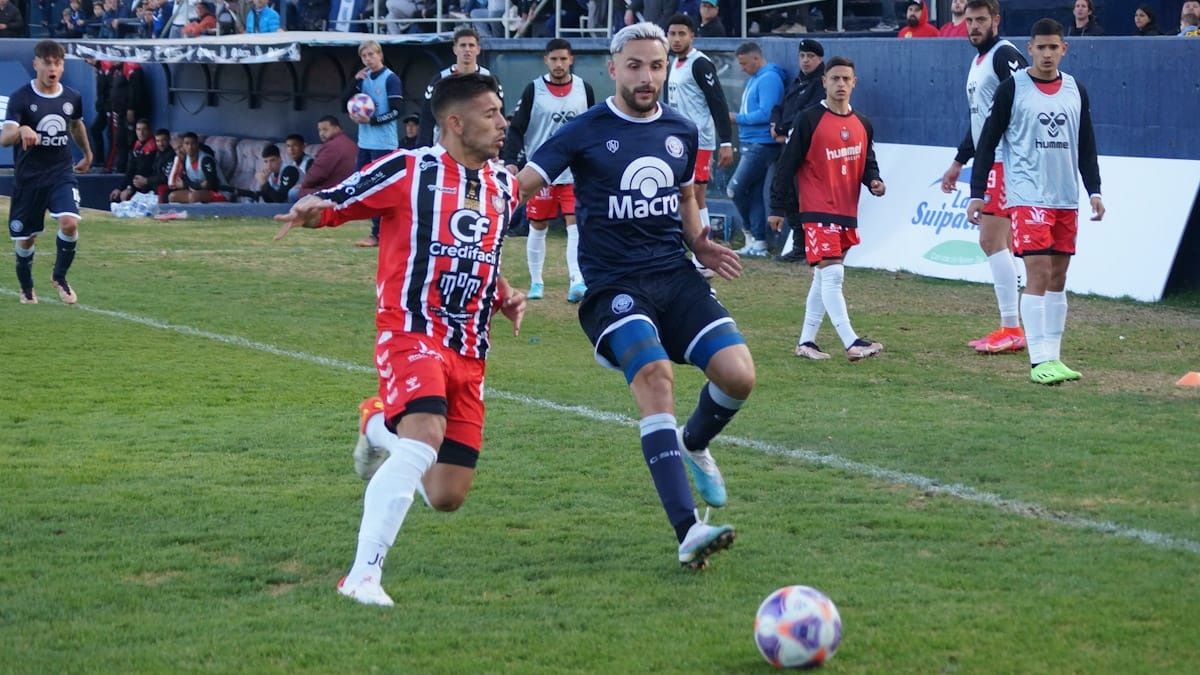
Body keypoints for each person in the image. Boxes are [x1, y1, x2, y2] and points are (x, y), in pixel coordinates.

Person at [273, 73, 526, 607]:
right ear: (455, 123)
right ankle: (362, 576)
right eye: (490, 114)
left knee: (445, 494)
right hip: (411, 331)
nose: (503, 123)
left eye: (501, 113)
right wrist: (310, 209)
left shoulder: (503, 184)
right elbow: (339, 199)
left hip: (470, 350)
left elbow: (479, 249)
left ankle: (374, 421)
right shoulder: (409, 170)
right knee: (423, 438)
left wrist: (503, 292)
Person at [516, 22, 755, 571]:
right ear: (613, 68)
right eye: (636, 66)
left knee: (739, 375)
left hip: (675, 276)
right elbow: (524, 182)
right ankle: (688, 528)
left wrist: (700, 243)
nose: (646, 76)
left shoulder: (682, 129)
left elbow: (688, 196)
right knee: (656, 377)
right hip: (613, 287)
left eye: (656, 66)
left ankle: (695, 442)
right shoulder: (583, 130)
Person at [967, 18, 1104, 385]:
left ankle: (1055, 358)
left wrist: (1095, 191)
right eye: (1040, 47)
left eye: (1053, 47)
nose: (1047, 54)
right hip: (1027, 195)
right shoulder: (1014, 88)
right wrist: (977, 193)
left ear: (1064, 49)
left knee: (1059, 276)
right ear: (1029, 49)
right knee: (1039, 272)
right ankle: (1038, 359)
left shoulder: (1076, 89)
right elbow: (987, 142)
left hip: (1065, 197)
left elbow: (1086, 144)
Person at [768, 56, 886, 362]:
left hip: (846, 211)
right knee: (833, 275)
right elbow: (786, 165)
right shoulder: (808, 120)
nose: (841, 84)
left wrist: (874, 180)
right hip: (817, 210)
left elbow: (867, 159)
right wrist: (777, 206)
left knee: (823, 278)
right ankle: (851, 342)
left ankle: (806, 341)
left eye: (846, 79)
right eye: (835, 79)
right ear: (824, 82)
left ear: (854, 83)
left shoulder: (863, 123)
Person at [940, 0, 1029, 354]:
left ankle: (1012, 328)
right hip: (992, 161)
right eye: (969, 20)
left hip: (1006, 161)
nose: (973, 26)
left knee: (991, 241)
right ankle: (1013, 326)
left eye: (981, 20)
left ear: (996, 21)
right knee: (999, 243)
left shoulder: (1003, 54)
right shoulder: (979, 61)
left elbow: (1027, 95)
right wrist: (959, 160)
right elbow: (982, 120)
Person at [502, 38, 596, 303]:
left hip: (574, 171)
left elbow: (591, 127)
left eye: (563, 59)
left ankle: (576, 280)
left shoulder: (583, 89)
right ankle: (536, 282)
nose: (558, 64)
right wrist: (511, 159)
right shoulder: (534, 90)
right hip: (541, 171)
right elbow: (517, 127)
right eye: (553, 59)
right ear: (546, 60)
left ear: (571, 59)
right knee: (538, 225)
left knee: (574, 224)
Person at [2, 40, 93, 306]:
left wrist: (87, 154)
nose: (53, 68)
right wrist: (20, 130)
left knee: (70, 222)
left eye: (58, 63)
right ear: (36, 64)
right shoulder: (22, 97)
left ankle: (59, 277)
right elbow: (5, 135)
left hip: (60, 173)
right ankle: (26, 287)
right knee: (26, 241)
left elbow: (76, 125)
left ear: (62, 66)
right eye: (48, 62)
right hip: (29, 178)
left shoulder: (72, 97)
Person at [664, 14, 734, 276]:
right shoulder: (673, 63)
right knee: (686, 196)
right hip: (675, 140)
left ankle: (705, 256)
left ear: (692, 36)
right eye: (672, 34)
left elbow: (717, 101)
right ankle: (698, 253)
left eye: (682, 34)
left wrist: (725, 141)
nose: (677, 39)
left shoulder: (700, 63)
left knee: (694, 195)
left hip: (697, 141)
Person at [768, 38, 825, 263]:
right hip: (787, 144)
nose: (805, 61)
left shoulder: (820, 83)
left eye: (810, 56)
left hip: (808, 148)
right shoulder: (798, 81)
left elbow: (808, 113)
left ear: (819, 59)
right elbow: (781, 107)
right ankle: (800, 246)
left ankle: (815, 247)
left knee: (808, 198)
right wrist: (775, 124)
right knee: (791, 196)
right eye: (802, 56)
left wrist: (785, 128)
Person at [728, 41, 785, 257]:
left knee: (734, 189)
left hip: (761, 144)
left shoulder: (769, 78)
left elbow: (766, 113)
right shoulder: (755, 78)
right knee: (752, 193)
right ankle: (758, 242)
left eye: (744, 63)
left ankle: (749, 232)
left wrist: (737, 118)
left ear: (756, 58)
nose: (742, 68)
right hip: (751, 141)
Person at [349, 40, 404, 248]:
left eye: (372, 54)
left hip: (384, 144)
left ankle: (378, 234)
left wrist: (372, 120)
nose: (368, 59)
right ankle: (379, 231)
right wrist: (354, 81)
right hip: (365, 142)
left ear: (380, 55)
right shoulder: (363, 80)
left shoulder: (391, 79)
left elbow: (398, 110)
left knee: (380, 188)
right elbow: (344, 100)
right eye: (364, 56)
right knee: (363, 184)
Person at [418, 27, 502, 147]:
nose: (467, 50)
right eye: (463, 45)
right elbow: (427, 117)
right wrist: (423, 147)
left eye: (471, 45)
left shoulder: (489, 79)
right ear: (455, 49)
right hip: (447, 146)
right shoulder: (441, 79)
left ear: (478, 49)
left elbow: (499, 116)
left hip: (479, 145)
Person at [297, 116, 358, 198]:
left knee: (294, 192)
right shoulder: (350, 143)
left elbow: (317, 173)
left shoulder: (332, 146)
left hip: (333, 191)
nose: (321, 133)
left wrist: (303, 185)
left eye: (325, 129)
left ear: (337, 128)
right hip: (349, 189)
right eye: (319, 130)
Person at [167, 132, 233, 203]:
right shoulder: (185, 159)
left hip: (219, 192)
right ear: (183, 146)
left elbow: (210, 184)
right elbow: (186, 180)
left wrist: (190, 185)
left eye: (193, 143)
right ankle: (181, 214)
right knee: (172, 196)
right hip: (197, 191)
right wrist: (198, 185)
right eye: (187, 144)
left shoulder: (206, 159)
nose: (190, 147)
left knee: (194, 197)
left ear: (197, 144)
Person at [110, 119, 158, 204]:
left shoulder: (153, 146)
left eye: (144, 129)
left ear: (150, 131)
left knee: (126, 196)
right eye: (138, 129)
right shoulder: (137, 146)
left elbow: (144, 171)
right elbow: (130, 170)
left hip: (149, 183)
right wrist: (120, 188)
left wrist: (129, 188)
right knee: (116, 196)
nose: (141, 133)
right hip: (136, 183)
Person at [147, 127, 176, 202]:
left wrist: (147, 180)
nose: (161, 144)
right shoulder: (156, 153)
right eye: (158, 141)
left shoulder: (172, 155)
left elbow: (166, 178)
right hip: (153, 185)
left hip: (167, 187)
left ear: (169, 140)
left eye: (164, 140)